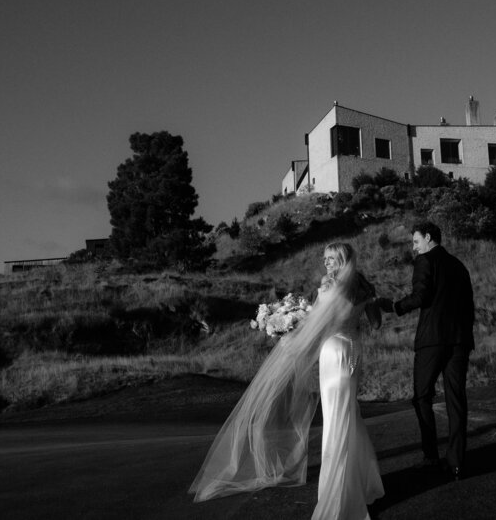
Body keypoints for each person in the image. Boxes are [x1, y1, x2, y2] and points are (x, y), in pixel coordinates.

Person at [189, 242, 384, 520]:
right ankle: (364, 485)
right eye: (325, 258)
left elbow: (319, 323)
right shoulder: (365, 286)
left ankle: (338, 498)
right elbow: (375, 324)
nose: (326, 263)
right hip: (354, 351)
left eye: (331, 259)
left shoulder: (330, 286)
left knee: (336, 422)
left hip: (334, 352)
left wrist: (289, 325)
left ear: (342, 260)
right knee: (350, 416)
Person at [376, 222, 475, 481]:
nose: (413, 247)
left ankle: (431, 456)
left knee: (421, 397)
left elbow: (421, 296)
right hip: (460, 340)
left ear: (428, 238)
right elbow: (469, 306)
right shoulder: (459, 265)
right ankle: (457, 463)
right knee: (456, 399)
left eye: (415, 241)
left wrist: (395, 307)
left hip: (432, 340)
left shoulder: (424, 261)